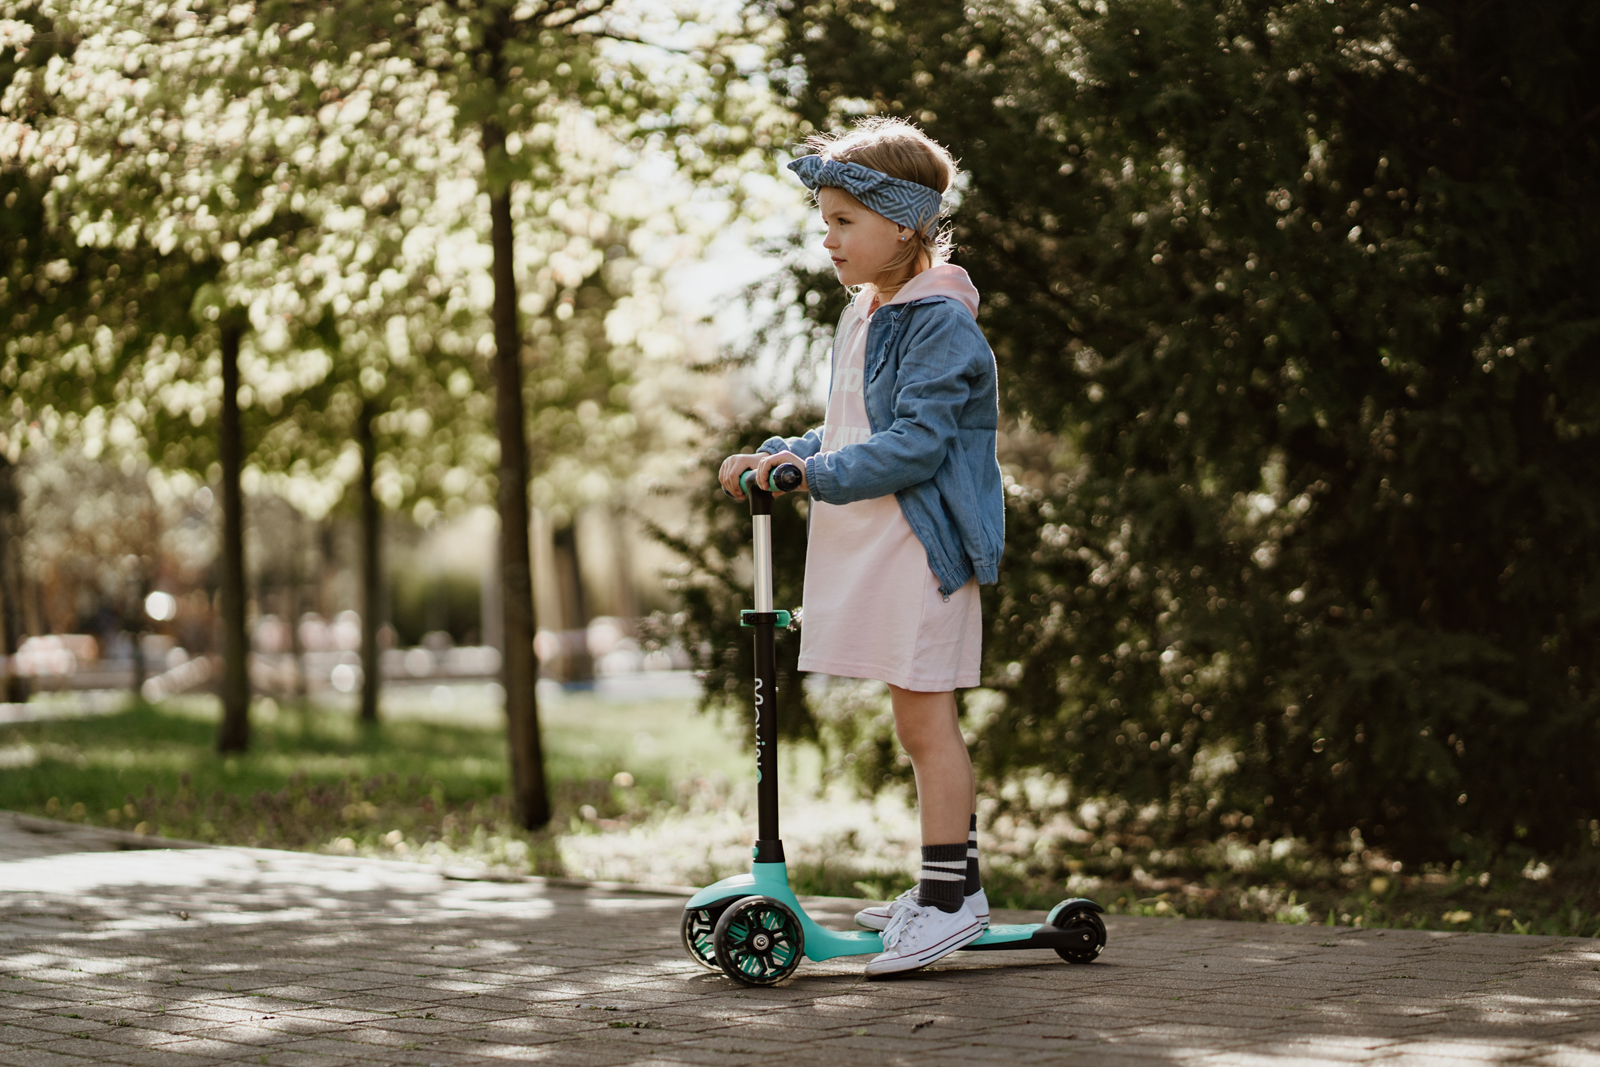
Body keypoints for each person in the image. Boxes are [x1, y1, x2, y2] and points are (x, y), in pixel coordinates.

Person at [718, 118, 1004, 977]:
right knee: (916, 718)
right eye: (825, 221)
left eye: (845, 221)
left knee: (926, 721)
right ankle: (952, 883)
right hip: (883, 541)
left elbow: (916, 443)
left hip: (925, 544)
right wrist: (789, 455)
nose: (828, 238)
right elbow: (851, 426)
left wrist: (813, 476)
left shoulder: (937, 322)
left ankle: (952, 900)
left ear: (905, 225)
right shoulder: (869, 311)